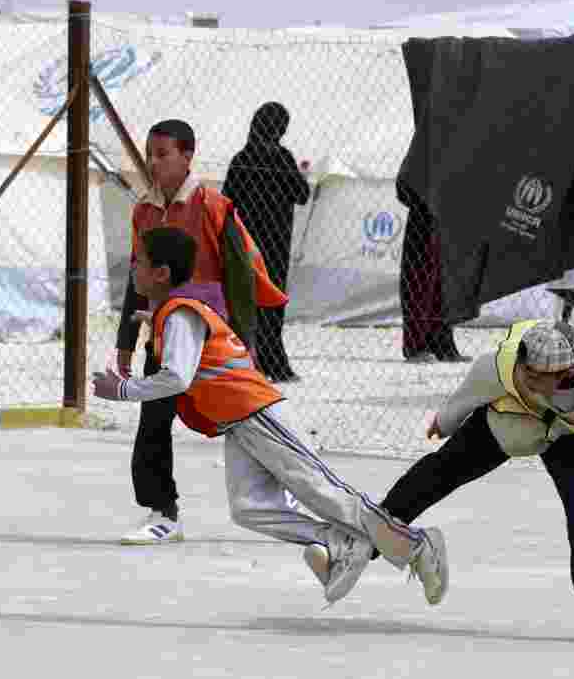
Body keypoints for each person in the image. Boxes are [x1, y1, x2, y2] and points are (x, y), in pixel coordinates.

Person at [96, 226, 450, 606]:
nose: (134, 268)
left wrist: (122, 390)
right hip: (239, 423)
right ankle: (338, 541)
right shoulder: (173, 314)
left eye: (141, 262)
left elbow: (176, 378)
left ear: (161, 273)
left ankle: (417, 545)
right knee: (249, 507)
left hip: (259, 412)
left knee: (323, 492)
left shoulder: (180, 315)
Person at [369, 320, 574, 646]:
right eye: (522, 369)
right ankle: (363, 540)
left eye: (532, 376)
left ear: (563, 375)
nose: (522, 375)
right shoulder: (502, 364)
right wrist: (446, 420)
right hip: (507, 421)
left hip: (573, 434)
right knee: (438, 472)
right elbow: (469, 392)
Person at [115, 119, 289, 546]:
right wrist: (125, 341)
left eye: (163, 155)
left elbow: (241, 274)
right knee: (153, 421)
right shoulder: (144, 211)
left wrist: (246, 341)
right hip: (166, 332)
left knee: (244, 421)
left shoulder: (214, 206)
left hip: (212, 340)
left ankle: (285, 489)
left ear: (188, 156)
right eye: (150, 156)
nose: (153, 164)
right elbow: (135, 279)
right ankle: (163, 513)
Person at [222, 102, 311, 382]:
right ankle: (274, 362)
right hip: (276, 243)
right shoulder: (282, 158)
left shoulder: (242, 158)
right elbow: (302, 194)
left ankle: (250, 361)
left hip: (248, 243)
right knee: (272, 300)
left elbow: (228, 200)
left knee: (248, 301)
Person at [398, 191, 471, 363]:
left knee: (445, 277)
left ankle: (441, 344)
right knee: (420, 277)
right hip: (425, 208)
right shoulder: (423, 164)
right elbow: (404, 187)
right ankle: (416, 346)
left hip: (450, 207)